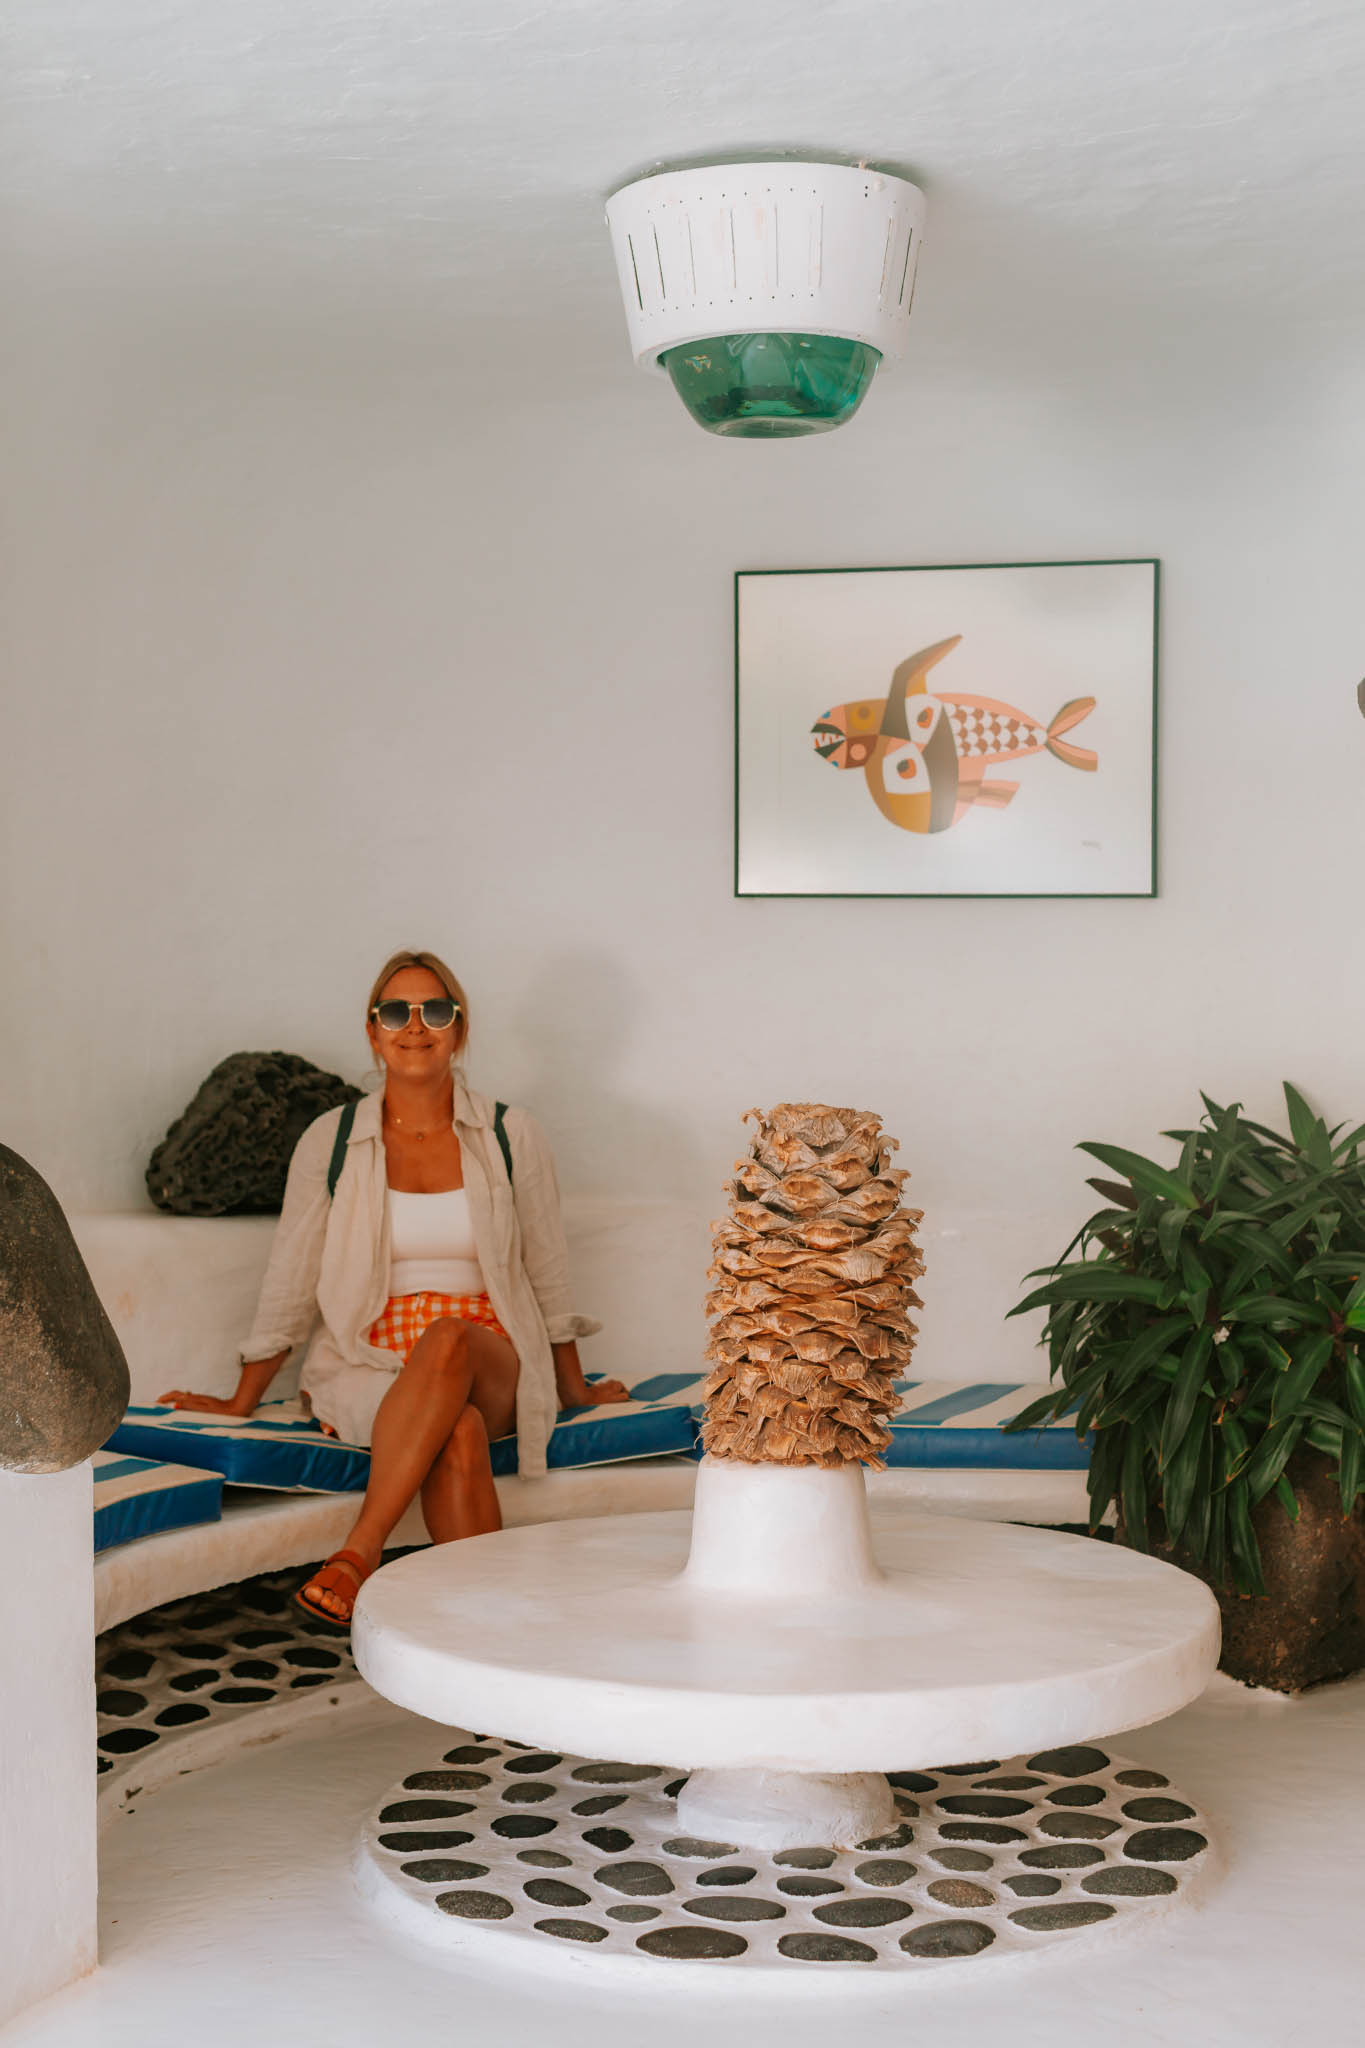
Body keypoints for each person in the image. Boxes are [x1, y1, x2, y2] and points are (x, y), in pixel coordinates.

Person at [160, 948, 629, 1627]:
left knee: (448, 1340)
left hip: (486, 1354)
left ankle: (358, 1553)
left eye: (434, 1010)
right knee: (457, 1430)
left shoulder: (509, 1134)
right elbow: (292, 1275)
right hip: (367, 1362)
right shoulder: (332, 1140)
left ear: (459, 1030)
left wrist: (574, 1388)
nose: (415, 1025)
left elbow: (547, 1270)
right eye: (395, 1012)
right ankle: (489, 1632)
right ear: (372, 1031)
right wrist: (242, 1399)